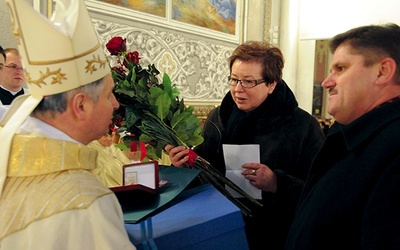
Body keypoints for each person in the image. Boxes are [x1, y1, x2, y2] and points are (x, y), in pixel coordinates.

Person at [0, 0, 135, 249]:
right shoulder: (87, 203)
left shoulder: (9, 153)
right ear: (81, 105)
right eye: (108, 95)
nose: (115, 104)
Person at [166, 41, 325, 250]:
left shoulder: (303, 126)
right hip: (222, 227)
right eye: (234, 79)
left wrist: (276, 182)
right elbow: (209, 172)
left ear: (271, 84)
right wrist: (186, 166)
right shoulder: (218, 118)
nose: (238, 89)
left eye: (248, 81)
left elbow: (321, 190)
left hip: (277, 234)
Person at [285, 23, 400, 249]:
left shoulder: (393, 150)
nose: (327, 82)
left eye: (341, 68)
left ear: (382, 71)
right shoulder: (356, 137)